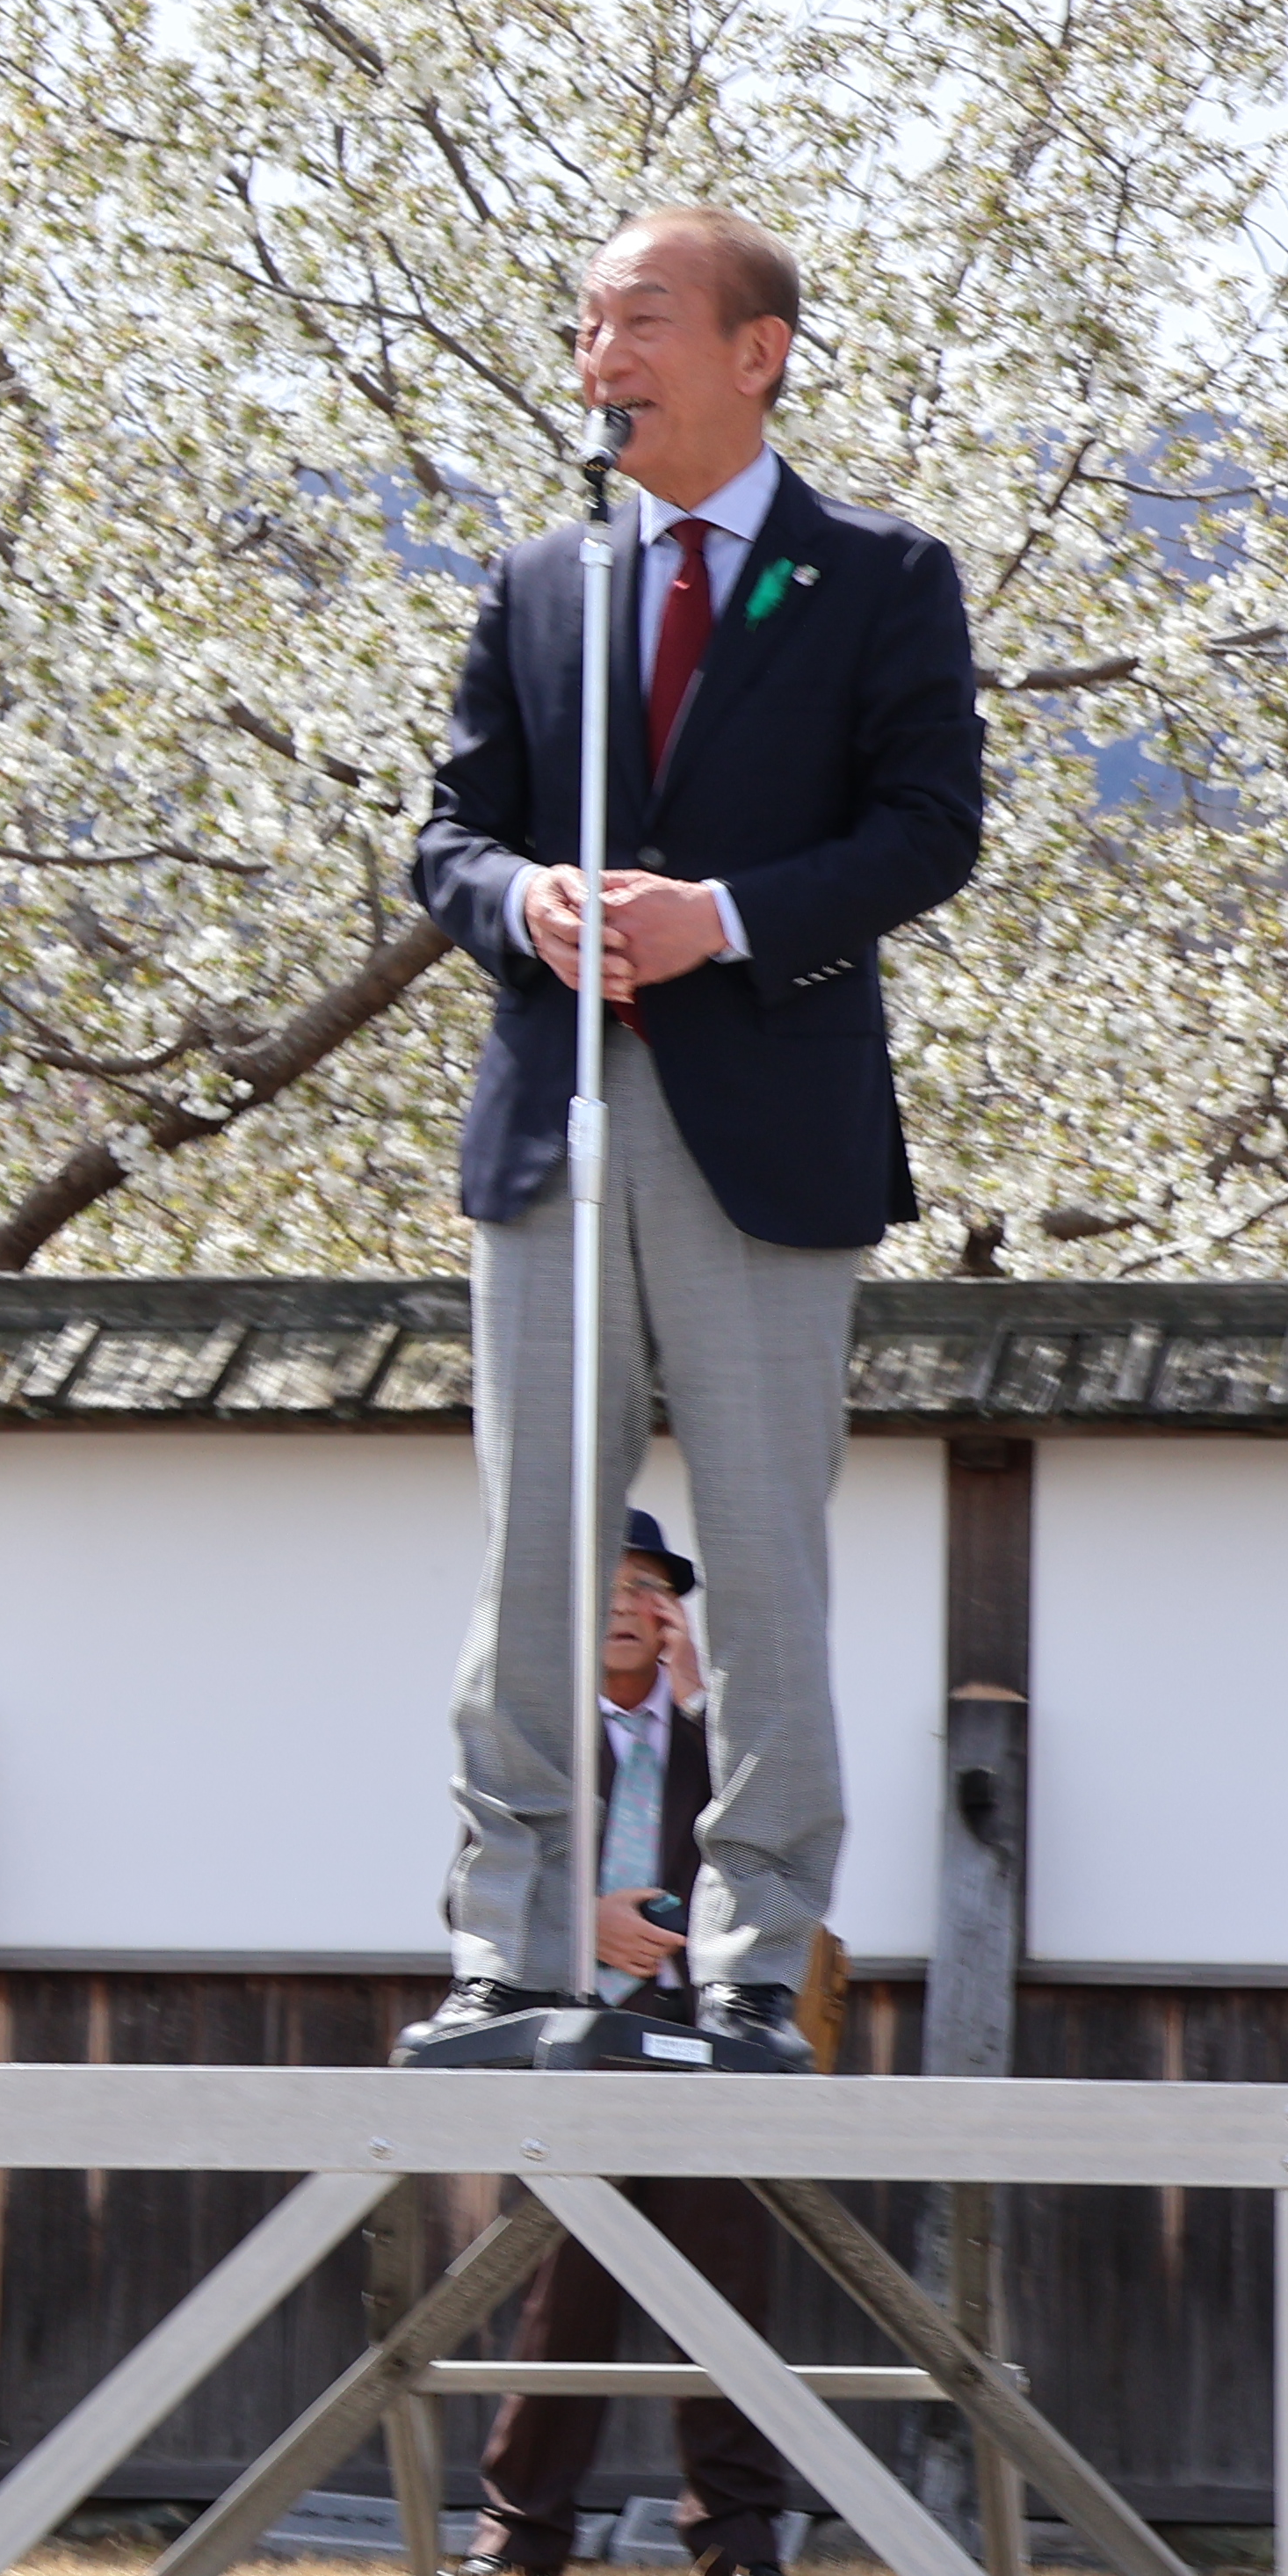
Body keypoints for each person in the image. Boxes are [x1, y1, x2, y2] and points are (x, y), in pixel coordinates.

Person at [403, 205, 986, 2071]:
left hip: (765, 1123)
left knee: (763, 1558)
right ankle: (508, 1948)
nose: (603, 355)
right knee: (532, 1559)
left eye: (641, 319)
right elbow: (446, 836)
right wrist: (529, 903)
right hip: (554, 1117)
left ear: (759, 350)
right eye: (588, 324)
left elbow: (930, 829)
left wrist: (717, 918)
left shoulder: (879, 575)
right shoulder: (544, 579)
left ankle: (750, 1960)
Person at [455, 1513, 798, 2576]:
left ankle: (742, 2542)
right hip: (577, 2049)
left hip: (704, 2048)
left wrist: (702, 1708)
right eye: (604, 1583)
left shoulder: (722, 1739)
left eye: (645, 1584)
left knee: (724, 2296)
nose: (623, 1603)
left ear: (672, 1614)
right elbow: (471, 1891)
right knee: (564, 2295)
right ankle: (518, 2537)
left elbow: (776, 1863)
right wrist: (580, 1926)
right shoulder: (534, 1746)